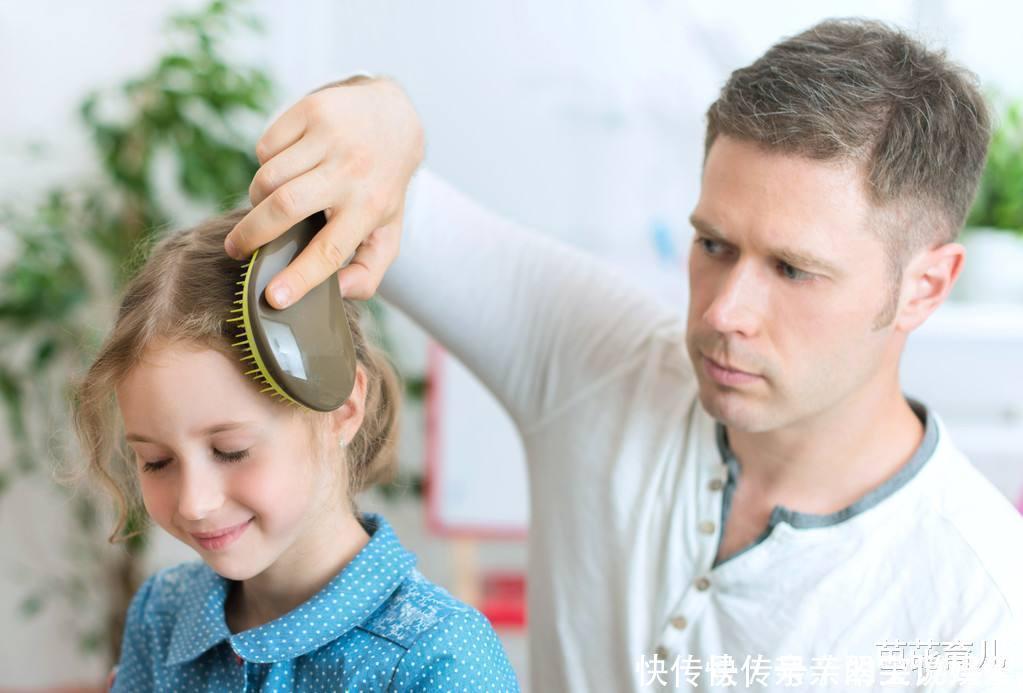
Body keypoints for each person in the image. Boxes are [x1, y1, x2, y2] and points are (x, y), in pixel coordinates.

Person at [225, 18, 1023, 692]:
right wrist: (384, 111)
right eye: (713, 243)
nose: (722, 310)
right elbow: (365, 188)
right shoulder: (600, 361)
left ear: (924, 286)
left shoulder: (979, 607)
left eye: (792, 269)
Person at [72, 209, 519, 691]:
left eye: (230, 450)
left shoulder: (439, 656)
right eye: (156, 461)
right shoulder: (161, 613)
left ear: (343, 411)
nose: (193, 502)